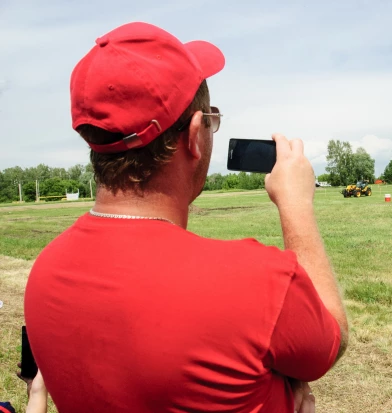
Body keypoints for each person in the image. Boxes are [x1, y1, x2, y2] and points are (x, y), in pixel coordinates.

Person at [24, 22, 348, 413]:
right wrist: (297, 207)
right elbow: (330, 340)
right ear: (195, 134)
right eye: (211, 118)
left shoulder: (44, 273)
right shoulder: (257, 282)